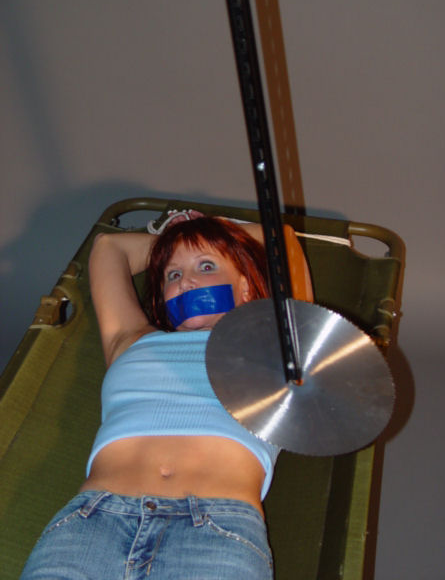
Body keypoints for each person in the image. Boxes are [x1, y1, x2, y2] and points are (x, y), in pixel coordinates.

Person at [20, 214, 280, 580]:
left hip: (216, 529)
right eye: (173, 275)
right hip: (94, 523)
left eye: (206, 266)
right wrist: (176, 240)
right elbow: (109, 247)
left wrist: (203, 228)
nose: (186, 281)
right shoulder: (131, 341)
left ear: (247, 287)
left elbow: (278, 240)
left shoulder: (277, 347)